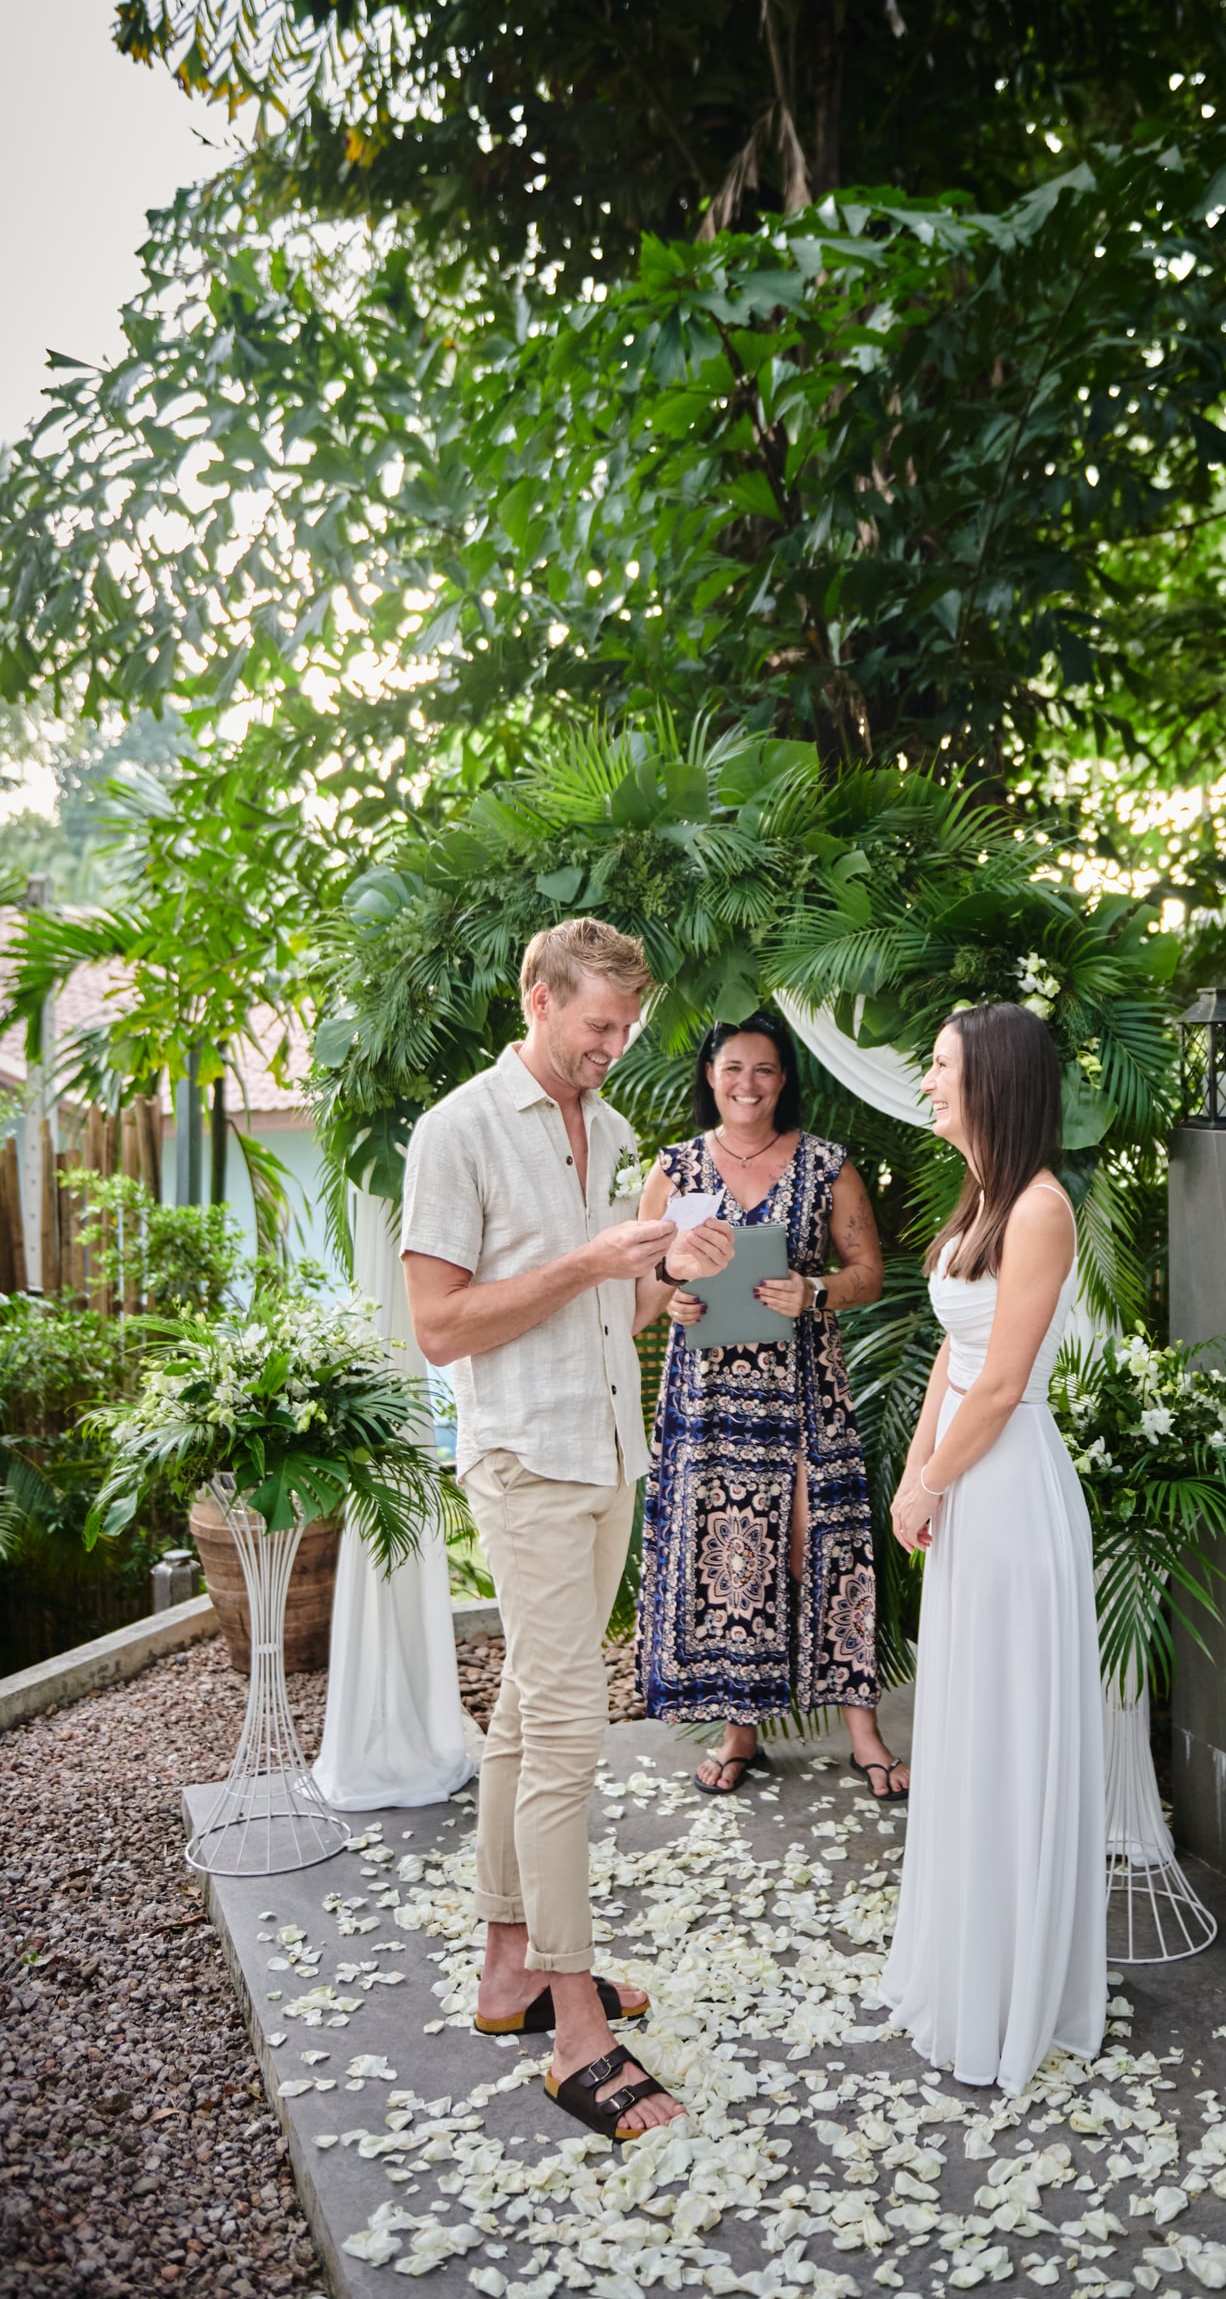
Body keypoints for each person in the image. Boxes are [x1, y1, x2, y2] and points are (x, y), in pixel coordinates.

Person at [400, 916, 734, 2143]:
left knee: (526, 1715)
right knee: (568, 1732)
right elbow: (440, 1326)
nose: (615, 1045)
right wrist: (591, 1262)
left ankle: (511, 1971)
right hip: (526, 1462)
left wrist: (670, 1271)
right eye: (600, 1023)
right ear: (537, 998)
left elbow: (615, 1309)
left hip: (608, 1453)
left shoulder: (617, 1130)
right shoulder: (459, 1131)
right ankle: (578, 2032)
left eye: (627, 1027)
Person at [880, 1001, 1105, 2092]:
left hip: (1011, 1491)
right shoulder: (983, 1196)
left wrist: (936, 1479)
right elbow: (952, 1354)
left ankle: (1017, 1987)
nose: (927, 1082)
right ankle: (967, 1962)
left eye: (941, 1066)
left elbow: (1008, 1380)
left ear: (993, 1083)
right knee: (967, 1721)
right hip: (967, 1478)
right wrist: (915, 1469)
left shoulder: (1042, 1209)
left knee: (1008, 1726)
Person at [633, 1009, 907, 1799]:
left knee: (823, 1547)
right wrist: (676, 1295)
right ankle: (738, 1732)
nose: (746, 1083)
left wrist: (812, 1290)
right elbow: (641, 1283)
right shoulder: (676, 1169)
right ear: (710, 1077)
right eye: (732, 1068)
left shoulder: (826, 1165)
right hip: (710, 1396)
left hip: (804, 1391)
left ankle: (863, 1732)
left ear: (783, 1080)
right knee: (731, 1553)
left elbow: (867, 1272)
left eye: (762, 1069)